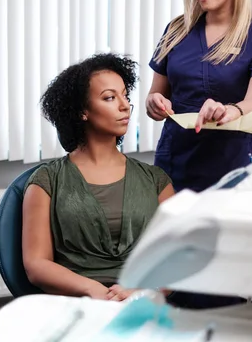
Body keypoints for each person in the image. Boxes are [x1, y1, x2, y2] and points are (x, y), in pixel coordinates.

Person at [144, 0, 252, 308]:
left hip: (229, 170)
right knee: (172, 273)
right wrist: (155, 104)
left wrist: (230, 110)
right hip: (174, 167)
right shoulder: (176, 30)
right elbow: (156, 96)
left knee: (221, 277)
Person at [22, 53, 175, 302]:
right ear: (83, 111)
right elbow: (36, 265)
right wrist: (93, 290)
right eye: (110, 98)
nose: (125, 105)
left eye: (125, 95)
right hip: (76, 304)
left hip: (142, 304)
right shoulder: (46, 182)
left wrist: (143, 292)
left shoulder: (156, 181)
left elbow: (176, 258)